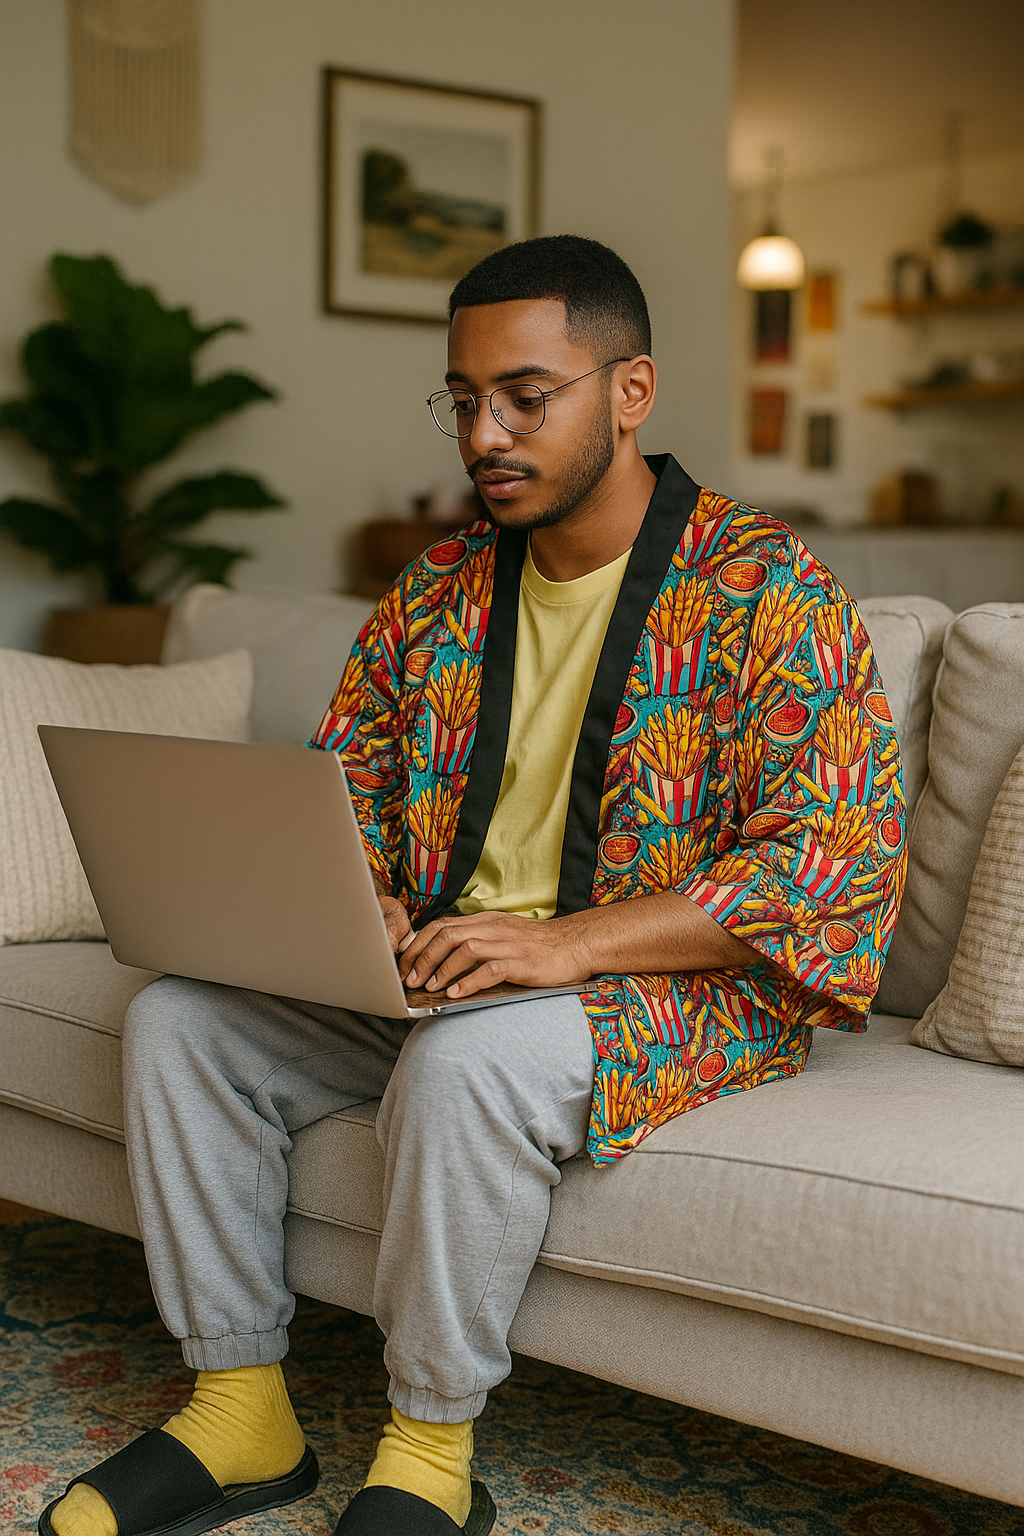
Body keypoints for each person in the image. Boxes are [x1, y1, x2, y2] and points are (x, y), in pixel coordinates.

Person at [42, 236, 906, 1536]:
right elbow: (349, 795)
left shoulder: (770, 593)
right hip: (443, 966)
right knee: (180, 1022)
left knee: (468, 1066)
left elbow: (829, 866)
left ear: (630, 390)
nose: (486, 432)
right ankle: (240, 1413)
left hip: (665, 986)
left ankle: (430, 1457)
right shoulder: (432, 595)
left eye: (526, 395)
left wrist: (565, 949)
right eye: (463, 399)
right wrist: (361, 905)